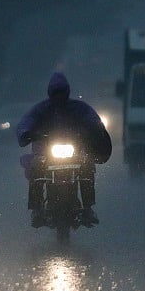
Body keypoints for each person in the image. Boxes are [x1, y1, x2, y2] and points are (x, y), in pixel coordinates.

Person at [16, 72, 112, 227]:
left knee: (87, 165)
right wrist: (27, 133)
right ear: (50, 93)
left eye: (62, 93)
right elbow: (27, 121)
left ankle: (88, 208)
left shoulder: (79, 108)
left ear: (67, 92)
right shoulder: (41, 109)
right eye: (56, 93)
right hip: (45, 153)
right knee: (36, 169)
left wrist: (95, 130)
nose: (59, 97)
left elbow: (93, 119)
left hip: (75, 153)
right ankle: (37, 209)